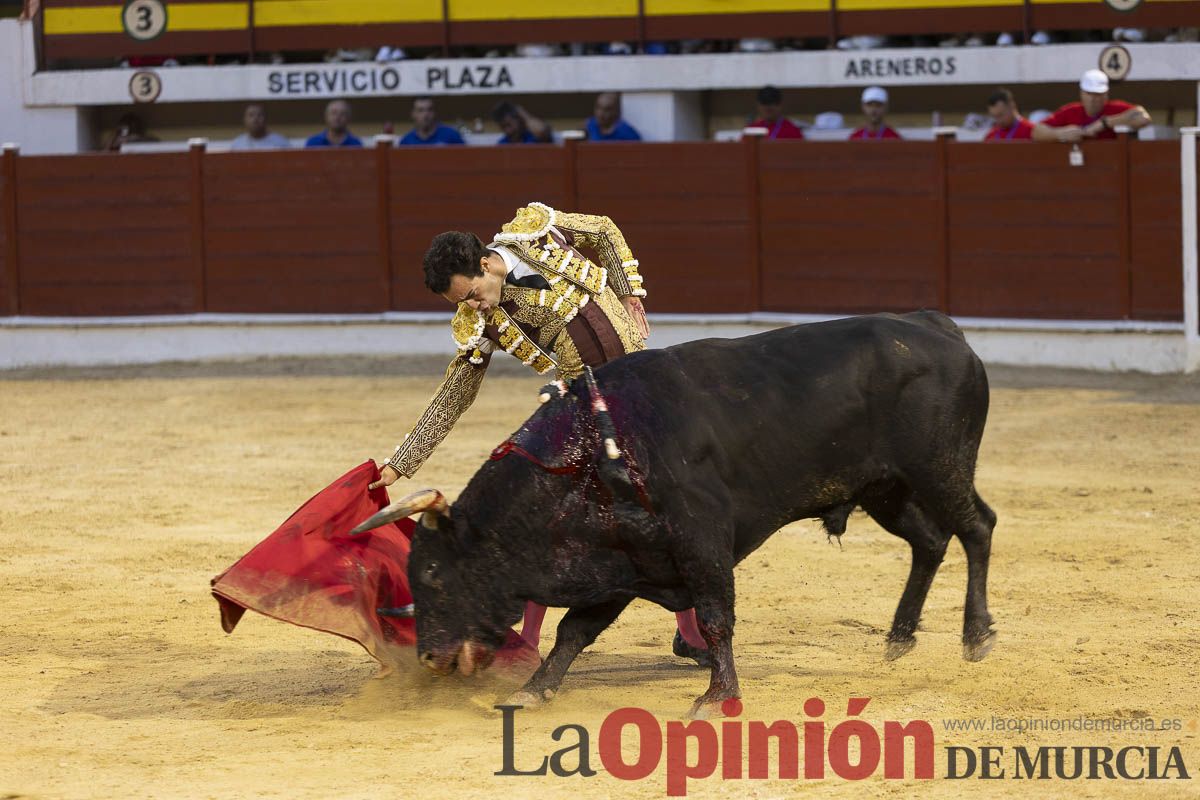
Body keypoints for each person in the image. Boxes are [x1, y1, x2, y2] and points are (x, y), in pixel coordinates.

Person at [369, 203, 710, 664]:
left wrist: (630, 294)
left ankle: (690, 636)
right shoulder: (482, 322)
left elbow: (606, 231)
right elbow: (455, 393)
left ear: (487, 264)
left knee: (672, 513)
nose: (474, 306)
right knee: (548, 522)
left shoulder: (536, 232)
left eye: (472, 294)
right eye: (463, 304)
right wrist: (401, 463)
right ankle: (526, 644)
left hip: (643, 386)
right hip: (584, 407)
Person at [1032, 69, 1151, 143]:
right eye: (1089, 93)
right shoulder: (1070, 111)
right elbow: (1036, 132)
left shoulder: (1115, 109)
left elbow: (1143, 118)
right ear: (1081, 93)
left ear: (1106, 95)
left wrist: (1105, 123)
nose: (1093, 99)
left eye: (1098, 94)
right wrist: (1060, 134)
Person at [399, 97, 466, 146]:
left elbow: (466, 160)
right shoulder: (406, 141)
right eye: (420, 110)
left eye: (429, 110)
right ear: (413, 114)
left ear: (435, 112)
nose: (426, 115)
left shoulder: (451, 136)